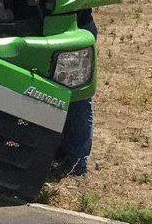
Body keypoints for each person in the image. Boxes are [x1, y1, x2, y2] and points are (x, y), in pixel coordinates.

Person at [52, 9, 97, 177]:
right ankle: (61, 150)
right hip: (58, 27)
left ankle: (77, 160)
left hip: (75, 28)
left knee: (78, 97)